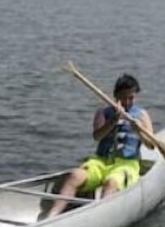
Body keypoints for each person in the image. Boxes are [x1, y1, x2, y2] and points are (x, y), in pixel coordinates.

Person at [46, 73, 154, 218]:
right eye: (124, 98)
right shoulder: (103, 112)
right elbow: (97, 136)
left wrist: (139, 130)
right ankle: (52, 215)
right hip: (100, 162)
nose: (128, 102)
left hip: (126, 165)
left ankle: (99, 218)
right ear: (116, 96)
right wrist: (113, 121)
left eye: (131, 98)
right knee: (74, 176)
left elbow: (151, 145)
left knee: (111, 183)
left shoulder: (141, 115)